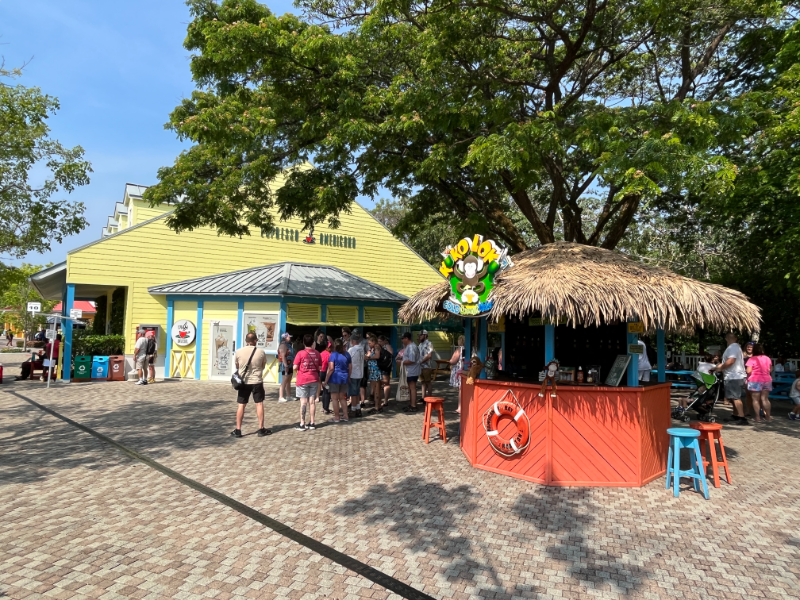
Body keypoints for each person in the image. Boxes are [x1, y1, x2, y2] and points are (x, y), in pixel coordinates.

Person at [230, 332, 270, 438]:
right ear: (255, 340)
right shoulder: (261, 352)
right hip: (257, 381)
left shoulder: (239, 352)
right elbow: (263, 366)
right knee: (259, 404)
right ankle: (261, 428)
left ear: (246, 341)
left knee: (241, 405)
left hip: (244, 382)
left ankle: (238, 429)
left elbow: (237, 366)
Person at [711, 333, 748, 424]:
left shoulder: (732, 347)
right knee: (732, 397)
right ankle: (736, 415)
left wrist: (721, 368)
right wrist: (716, 368)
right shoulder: (735, 347)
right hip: (734, 375)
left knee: (735, 397)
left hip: (734, 376)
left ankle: (742, 417)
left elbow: (731, 360)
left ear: (726, 338)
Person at [293, 333, 322, 431]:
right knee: (312, 401)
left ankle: (302, 423)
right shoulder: (317, 353)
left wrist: (299, 372)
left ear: (304, 343)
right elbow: (320, 367)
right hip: (314, 379)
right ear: (313, 342)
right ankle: (312, 422)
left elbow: (295, 367)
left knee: (303, 401)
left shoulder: (300, 353)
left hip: (302, 379)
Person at [324, 338, 351, 422]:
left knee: (334, 398)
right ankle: (346, 416)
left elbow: (331, 368)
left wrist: (326, 380)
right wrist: (348, 377)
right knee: (342, 398)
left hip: (335, 378)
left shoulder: (333, 355)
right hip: (344, 378)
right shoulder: (347, 354)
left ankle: (337, 417)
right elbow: (350, 367)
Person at [746, 343, 773, 423]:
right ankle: (768, 416)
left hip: (755, 380)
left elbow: (748, 371)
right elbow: (770, 369)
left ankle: (757, 417)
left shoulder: (752, 359)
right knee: (765, 399)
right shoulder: (767, 358)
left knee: (755, 400)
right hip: (767, 379)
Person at [399, 332, 421, 411]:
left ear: (406, 338)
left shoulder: (411, 347)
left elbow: (412, 360)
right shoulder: (409, 346)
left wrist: (402, 362)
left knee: (412, 388)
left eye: (402, 339)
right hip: (410, 370)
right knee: (410, 388)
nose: (402, 340)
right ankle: (411, 403)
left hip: (412, 370)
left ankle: (413, 405)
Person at [347, 333, 365, 417]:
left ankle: (353, 409)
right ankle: (358, 409)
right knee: (357, 392)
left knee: (353, 393)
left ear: (352, 341)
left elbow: (348, 362)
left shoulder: (351, 350)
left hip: (353, 373)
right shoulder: (361, 348)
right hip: (360, 373)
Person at [366, 336, 384, 414]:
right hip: (373, 371)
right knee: (376, 390)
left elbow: (377, 356)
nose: (369, 345)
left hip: (376, 372)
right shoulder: (374, 348)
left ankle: (377, 407)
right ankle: (377, 406)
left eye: (370, 343)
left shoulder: (377, 347)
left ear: (374, 341)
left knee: (377, 390)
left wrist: (368, 357)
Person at [449, 335, 465, 412]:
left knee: (460, 390)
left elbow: (453, 361)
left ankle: (460, 407)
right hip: (464, 369)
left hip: (458, 370)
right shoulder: (468, 349)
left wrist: (450, 361)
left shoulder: (459, 350)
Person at [417, 330, 435, 398]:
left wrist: (421, 361)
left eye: (421, 335)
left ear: (425, 335)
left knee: (428, 382)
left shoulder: (429, 343)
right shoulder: (420, 344)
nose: (420, 336)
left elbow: (429, 355)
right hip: (420, 366)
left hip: (427, 366)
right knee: (422, 382)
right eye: (419, 335)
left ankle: (430, 397)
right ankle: (423, 397)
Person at [278, 333, 294, 402]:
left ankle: (288, 396)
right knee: (284, 380)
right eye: (288, 337)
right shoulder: (283, 345)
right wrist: (286, 366)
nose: (289, 338)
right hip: (285, 365)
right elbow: (283, 356)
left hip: (290, 364)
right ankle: (281, 396)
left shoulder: (289, 345)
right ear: (285, 338)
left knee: (288, 381)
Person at [378, 335, 394, 403]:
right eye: (378, 341)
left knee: (386, 383)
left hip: (386, 367)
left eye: (381, 341)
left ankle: (386, 400)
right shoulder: (378, 347)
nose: (379, 343)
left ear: (384, 341)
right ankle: (380, 399)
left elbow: (390, 355)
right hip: (380, 366)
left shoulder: (387, 346)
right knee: (380, 383)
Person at [319, 339, 332, 414]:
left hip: (321, 373)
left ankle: (324, 407)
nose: (330, 348)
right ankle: (326, 408)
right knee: (327, 391)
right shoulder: (329, 354)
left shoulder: (321, 354)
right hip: (326, 373)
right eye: (329, 346)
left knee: (324, 390)